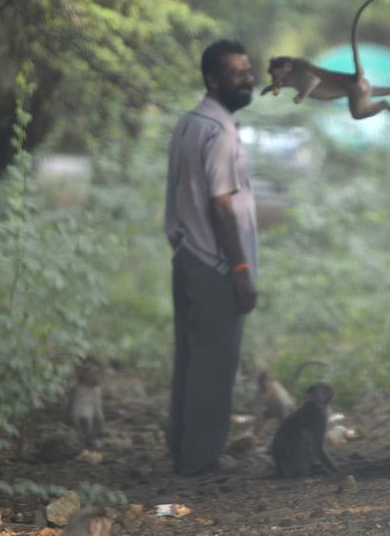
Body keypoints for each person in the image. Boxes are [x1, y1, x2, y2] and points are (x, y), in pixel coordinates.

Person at [164, 39, 259, 476]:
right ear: (213, 79)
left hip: (186, 254)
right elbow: (221, 204)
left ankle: (182, 449)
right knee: (215, 366)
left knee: (190, 358)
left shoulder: (189, 124)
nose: (249, 78)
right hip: (215, 263)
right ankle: (201, 459)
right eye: (238, 73)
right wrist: (240, 269)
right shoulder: (219, 133)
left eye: (248, 70)